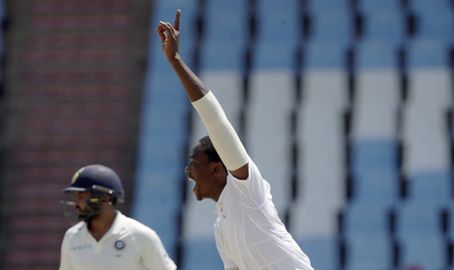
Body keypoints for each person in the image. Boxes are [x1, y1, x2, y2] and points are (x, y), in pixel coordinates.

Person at [157, 10, 313, 270]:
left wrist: (174, 60)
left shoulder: (246, 190)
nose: (187, 171)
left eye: (193, 163)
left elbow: (216, 121)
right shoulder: (221, 228)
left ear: (217, 168)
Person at [59, 164, 177, 270]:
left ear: (105, 198)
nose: (76, 204)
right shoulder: (72, 236)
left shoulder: (140, 235)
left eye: (81, 196)